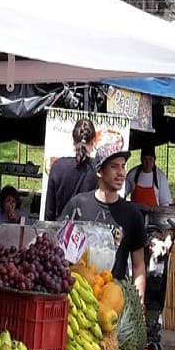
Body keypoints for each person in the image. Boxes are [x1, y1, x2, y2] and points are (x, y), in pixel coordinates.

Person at [59, 143, 146, 298]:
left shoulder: (132, 214)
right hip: (79, 299)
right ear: (99, 171)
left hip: (114, 301)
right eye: (114, 167)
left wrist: (138, 303)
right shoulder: (78, 205)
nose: (121, 173)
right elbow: (60, 253)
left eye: (123, 166)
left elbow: (139, 266)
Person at [44, 118, 97, 221]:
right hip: (89, 233)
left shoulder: (57, 167)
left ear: (73, 139)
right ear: (94, 141)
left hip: (60, 231)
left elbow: (49, 213)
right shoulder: (99, 169)